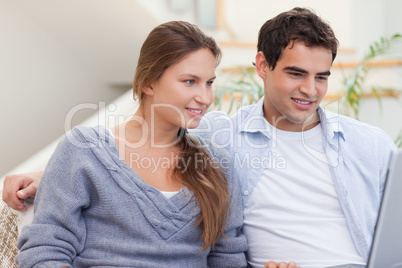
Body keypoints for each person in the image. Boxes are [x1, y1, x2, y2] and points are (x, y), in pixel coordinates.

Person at [4, 6, 395, 268]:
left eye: (322, 76)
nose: (311, 89)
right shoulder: (224, 137)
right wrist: (50, 177)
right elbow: (107, 169)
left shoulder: (216, 155)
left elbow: (227, 254)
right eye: (296, 73)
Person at [13, 21, 251, 268]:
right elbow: (45, 250)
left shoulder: (216, 164)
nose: (205, 97)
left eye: (209, 82)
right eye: (190, 81)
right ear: (148, 83)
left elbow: (228, 258)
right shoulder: (84, 149)